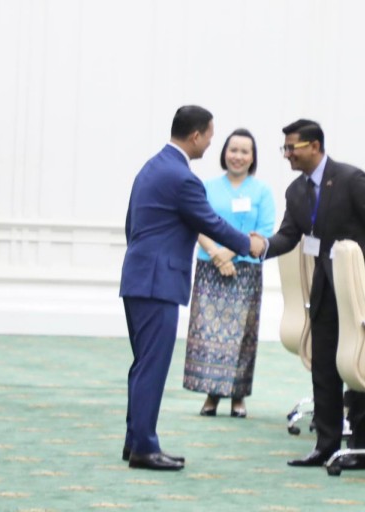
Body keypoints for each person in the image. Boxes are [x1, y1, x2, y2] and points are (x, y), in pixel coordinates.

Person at [120, 106, 264, 471]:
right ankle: (144, 448)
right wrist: (249, 245)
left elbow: (131, 223)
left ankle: (135, 440)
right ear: (196, 136)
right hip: (158, 283)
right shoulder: (183, 178)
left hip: (139, 276)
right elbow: (209, 221)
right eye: (210, 136)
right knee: (152, 366)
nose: (212, 143)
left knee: (142, 364)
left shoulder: (152, 166)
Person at [257, 119, 365, 468]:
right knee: (323, 367)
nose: (287, 154)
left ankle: (362, 447)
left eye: (292, 147)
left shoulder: (351, 179)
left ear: (315, 146)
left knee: (359, 366)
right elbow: (289, 236)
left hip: (362, 289)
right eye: (284, 148)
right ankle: (326, 446)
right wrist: (259, 246)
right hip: (325, 287)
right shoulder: (296, 191)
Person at [183, 128, 275, 418]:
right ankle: (211, 395)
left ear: (253, 157)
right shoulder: (207, 186)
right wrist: (216, 254)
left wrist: (230, 252)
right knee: (209, 335)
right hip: (210, 267)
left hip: (245, 269)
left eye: (244, 151)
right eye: (233, 150)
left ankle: (238, 396)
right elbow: (195, 221)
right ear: (224, 153)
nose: (238, 156)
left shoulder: (262, 191)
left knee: (242, 336)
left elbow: (264, 231)